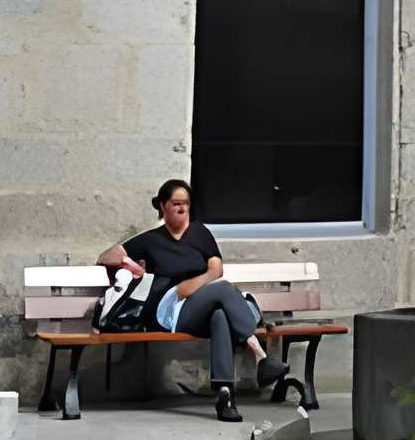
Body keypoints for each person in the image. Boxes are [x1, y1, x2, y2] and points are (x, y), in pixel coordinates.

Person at [99, 177, 284, 423]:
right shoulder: (151, 239)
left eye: (185, 203)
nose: (182, 208)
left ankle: (225, 395)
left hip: (199, 301)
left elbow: (216, 269)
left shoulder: (200, 232)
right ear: (162, 206)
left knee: (220, 315)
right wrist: (129, 264)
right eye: (176, 203)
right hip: (168, 308)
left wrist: (190, 287)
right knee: (224, 290)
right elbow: (105, 257)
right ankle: (260, 355)